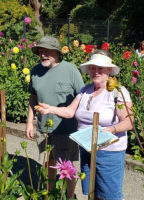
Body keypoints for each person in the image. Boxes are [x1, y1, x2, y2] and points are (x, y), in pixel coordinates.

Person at [37, 49, 133, 200]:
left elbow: (129, 122)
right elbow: (70, 111)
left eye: (100, 68)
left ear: (109, 70)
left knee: (109, 195)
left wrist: (110, 130)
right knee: (92, 192)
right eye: (92, 68)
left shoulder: (118, 92)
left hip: (109, 152)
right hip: (87, 149)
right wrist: (50, 109)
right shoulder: (85, 90)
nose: (95, 71)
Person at [25, 36, 84, 198]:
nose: (42, 54)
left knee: (67, 167)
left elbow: (82, 96)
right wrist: (29, 122)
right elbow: (33, 97)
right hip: (44, 129)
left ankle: (70, 196)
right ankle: (50, 194)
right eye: (40, 51)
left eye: (47, 51)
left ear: (57, 53)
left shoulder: (70, 70)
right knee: (49, 163)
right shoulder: (36, 70)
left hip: (66, 129)